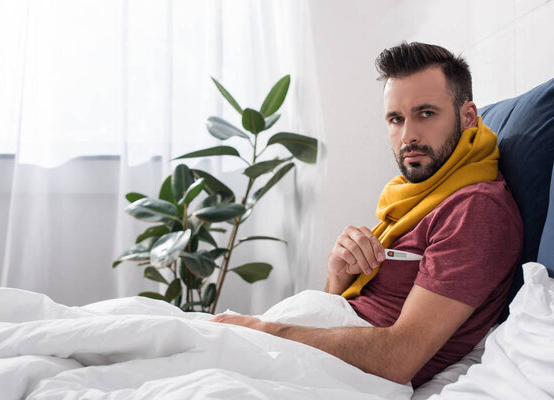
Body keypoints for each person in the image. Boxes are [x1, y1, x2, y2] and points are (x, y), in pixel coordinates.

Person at [212, 42, 523, 388]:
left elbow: (399, 358)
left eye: (426, 113)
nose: (408, 136)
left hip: (336, 372)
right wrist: (337, 279)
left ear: (467, 117)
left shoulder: (475, 209)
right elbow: (358, 308)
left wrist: (264, 331)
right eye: (396, 119)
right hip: (308, 348)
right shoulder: (414, 196)